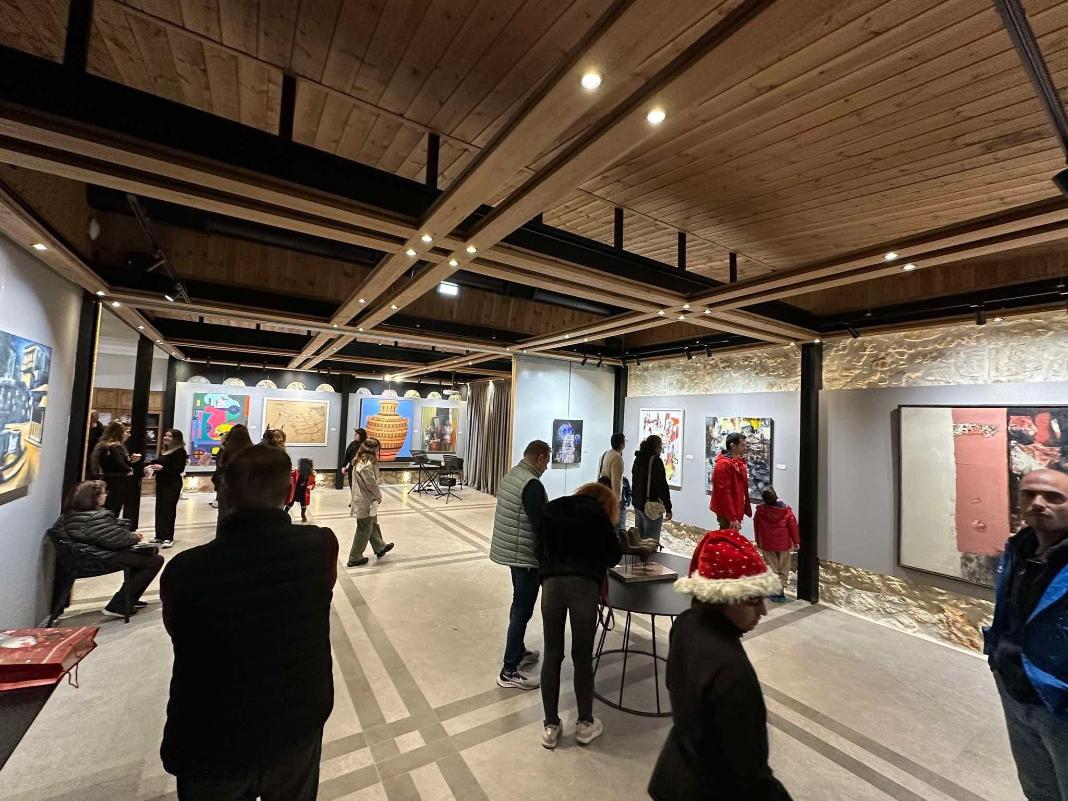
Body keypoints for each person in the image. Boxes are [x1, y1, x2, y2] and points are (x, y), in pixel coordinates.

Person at [160, 445, 338, 801]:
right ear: (290, 490)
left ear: (224, 493)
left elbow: (175, 629)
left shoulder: (184, 570)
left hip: (210, 732)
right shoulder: (320, 546)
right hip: (295, 721)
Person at [649, 529, 790, 801]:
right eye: (753, 599)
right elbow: (750, 773)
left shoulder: (685, 624)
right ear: (723, 596)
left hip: (674, 777)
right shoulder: (732, 672)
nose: (762, 611)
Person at [985, 468, 1068, 801]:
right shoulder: (1018, 549)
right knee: (1037, 787)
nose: (1038, 503)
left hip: (1060, 702)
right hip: (1015, 687)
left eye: (1053, 497)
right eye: (1029, 494)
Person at [537, 481, 622, 749]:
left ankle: (550, 727)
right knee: (582, 656)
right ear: (606, 504)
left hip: (552, 586)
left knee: (552, 654)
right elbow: (613, 556)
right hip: (584, 588)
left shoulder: (552, 509)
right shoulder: (598, 516)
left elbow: (537, 550)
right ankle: (585, 724)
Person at [49, 480, 163, 618]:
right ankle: (119, 605)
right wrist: (135, 537)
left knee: (142, 557)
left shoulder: (68, 515)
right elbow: (117, 540)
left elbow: (105, 535)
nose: (106, 495)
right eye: (104, 493)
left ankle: (128, 598)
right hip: (97, 558)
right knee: (154, 560)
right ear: (94, 497)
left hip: (82, 556)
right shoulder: (95, 517)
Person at [490, 440, 551, 689]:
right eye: (546, 462)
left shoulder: (514, 474)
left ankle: (519, 650)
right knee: (522, 610)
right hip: (525, 557)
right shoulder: (531, 484)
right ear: (539, 458)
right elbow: (540, 525)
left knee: (519, 605)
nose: (547, 467)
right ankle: (509, 670)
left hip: (513, 553)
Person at [347, 438, 394, 567]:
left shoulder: (359, 460)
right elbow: (371, 485)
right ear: (373, 449)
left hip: (363, 499)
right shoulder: (366, 465)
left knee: (372, 523)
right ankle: (354, 557)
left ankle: (380, 547)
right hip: (366, 501)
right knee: (364, 528)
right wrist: (378, 496)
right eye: (377, 449)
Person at [753, 486, 799, 603]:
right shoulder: (786, 511)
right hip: (783, 544)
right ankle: (780, 591)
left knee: (772, 568)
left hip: (767, 544)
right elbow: (793, 527)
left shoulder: (760, 511)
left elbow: (756, 527)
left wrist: (758, 541)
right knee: (784, 567)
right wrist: (796, 541)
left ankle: (774, 591)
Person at [90, 421, 142, 523]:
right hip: (117, 482)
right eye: (127, 432)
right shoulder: (114, 447)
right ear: (119, 433)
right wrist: (131, 469)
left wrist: (130, 461)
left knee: (107, 509)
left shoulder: (104, 445)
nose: (128, 435)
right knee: (113, 509)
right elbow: (122, 466)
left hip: (108, 480)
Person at [144, 429, 187, 549]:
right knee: (160, 509)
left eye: (170, 436)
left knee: (168, 510)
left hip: (172, 484)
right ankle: (159, 535)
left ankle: (168, 537)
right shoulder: (164, 450)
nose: (166, 437)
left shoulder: (180, 452)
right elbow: (158, 462)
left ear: (176, 439)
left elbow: (178, 469)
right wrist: (150, 466)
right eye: (165, 435)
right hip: (161, 483)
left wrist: (162, 468)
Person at [631, 435, 672, 543]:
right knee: (650, 543)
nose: (661, 449)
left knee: (639, 542)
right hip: (650, 507)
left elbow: (634, 480)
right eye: (661, 446)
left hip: (638, 504)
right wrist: (668, 507)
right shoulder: (655, 461)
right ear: (656, 447)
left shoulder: (638, 458)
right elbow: (661, 486)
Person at [710, 432, 752, 531]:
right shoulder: (723, 465)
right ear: (733, 446)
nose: (745, 448)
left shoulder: (737, 462)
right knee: (727, 536)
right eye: (742, 445)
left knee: (732, 535)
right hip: (727, 511)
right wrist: (732, 517)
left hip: (735, 507)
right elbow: (724, 493)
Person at [213, 424, 253, 522]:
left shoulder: (226, 450)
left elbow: (219, 465)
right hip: (245, 488)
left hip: (226, 486)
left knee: (224, 516)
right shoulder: (251, 450)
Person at [598, 432, 627, 529]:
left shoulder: (604, 454)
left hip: (604, 492)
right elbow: (616, 481)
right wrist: (617, 501)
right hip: (612, 495)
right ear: (622, 444)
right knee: (618, 526)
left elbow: (599, 475)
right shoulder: (617, 457)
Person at [286, 458, 316, 523]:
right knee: (290, 503)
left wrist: (311, 486)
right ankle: (285, 513)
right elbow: (290, 474)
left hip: (304, 493)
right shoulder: (296, 472)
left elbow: (313, 483)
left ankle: (303, 515)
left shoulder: (311, 475)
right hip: (295, 491)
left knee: (303, 505)